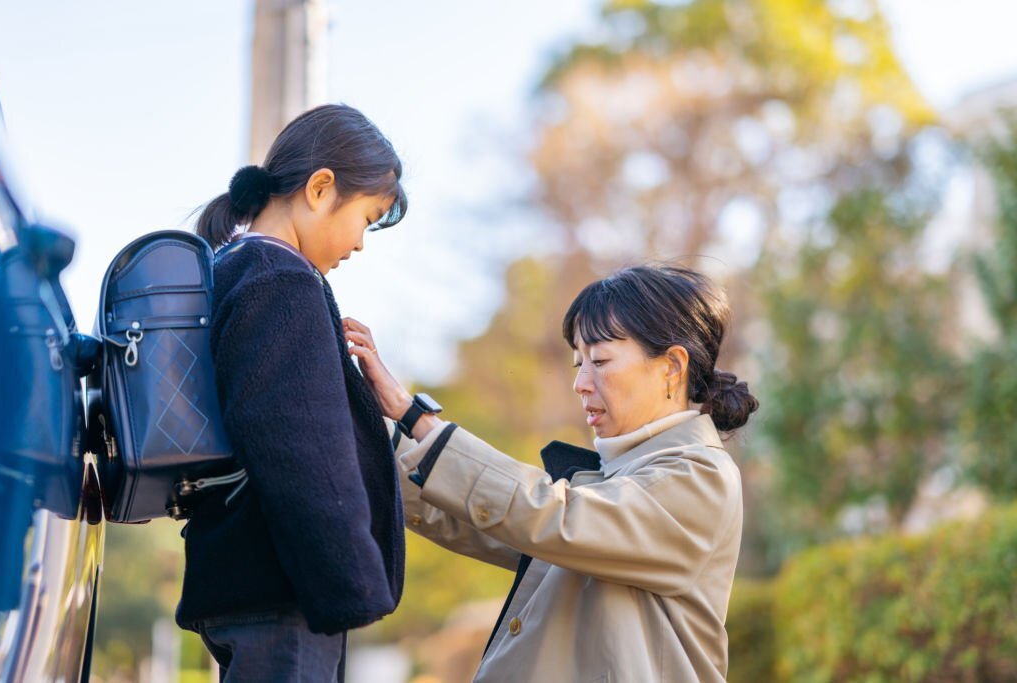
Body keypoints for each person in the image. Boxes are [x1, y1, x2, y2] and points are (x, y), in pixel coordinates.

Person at [346, 264, 759, 682]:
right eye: (579, 362)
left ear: (672, 366)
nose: (580, 383)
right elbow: (479, 518)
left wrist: (414, 416)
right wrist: (363, 428)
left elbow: (550, 515)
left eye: (600, 361)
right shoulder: (613, 479)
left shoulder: (699, 474)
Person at [175, 104, 408, 682]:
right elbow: (303, 448)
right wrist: (349, 580)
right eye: (367, 218)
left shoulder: (230, 267)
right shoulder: (282, 281)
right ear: (322, 187)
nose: (360, 243)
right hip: (283, 593)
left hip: (242, 580)